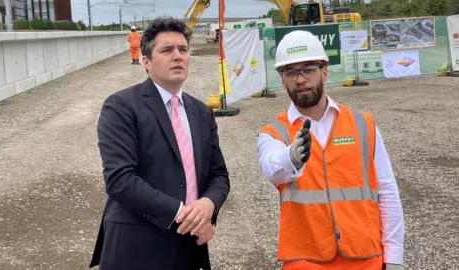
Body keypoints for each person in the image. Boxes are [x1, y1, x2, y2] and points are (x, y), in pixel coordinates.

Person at [89, 17, 230, 270]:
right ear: (146, 62)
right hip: (137, 249)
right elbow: (120, 179)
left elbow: (218, 175)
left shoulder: (202, 112)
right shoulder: (121, 106)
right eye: (167, 50)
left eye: (183, 49)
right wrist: (182, 214)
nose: (178, 56)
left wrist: (208, 206)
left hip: (190, 247)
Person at [256, 30, 405, 270]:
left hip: (366, 257)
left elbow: (387, 191)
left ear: (324, 70)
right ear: (282, 79)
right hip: (305, 260)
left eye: (308, 68)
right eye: (290, 72)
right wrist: (291, 157)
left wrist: (394, 255)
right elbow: (273, 167)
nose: (300, 79)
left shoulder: (362, 124)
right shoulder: (274, 133)